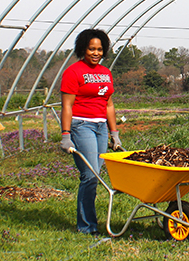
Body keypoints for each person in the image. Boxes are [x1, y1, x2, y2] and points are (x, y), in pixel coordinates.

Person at [60, 28, 122, 235]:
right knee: (90, 175)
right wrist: (66, 135)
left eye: (99, 49)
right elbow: (67, 106)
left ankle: (89, 223)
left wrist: (114, 133)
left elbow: (109, 104)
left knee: (96, 174)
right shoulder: (73, 72)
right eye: (91, 49)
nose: (95, 53)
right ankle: (86, 227)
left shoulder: (106, 73)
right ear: (82, 49)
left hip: (100, 127)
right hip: (81, 125)